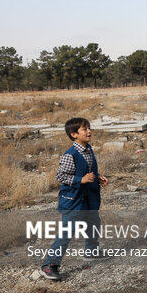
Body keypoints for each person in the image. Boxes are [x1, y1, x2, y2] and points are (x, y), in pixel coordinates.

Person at [40, 117, 109, 280]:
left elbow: (87, 171)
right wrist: (81, 180)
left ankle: (91, 252)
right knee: (67, 232)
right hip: (73, 201)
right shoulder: (70, 154)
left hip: (88, 199)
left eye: (89, 128)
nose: (89, 131)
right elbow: (61, 176)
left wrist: (98, 177)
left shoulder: (89, 150)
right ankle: (49, 265)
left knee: (93, 224)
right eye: (84, 129)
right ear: (74, 134)